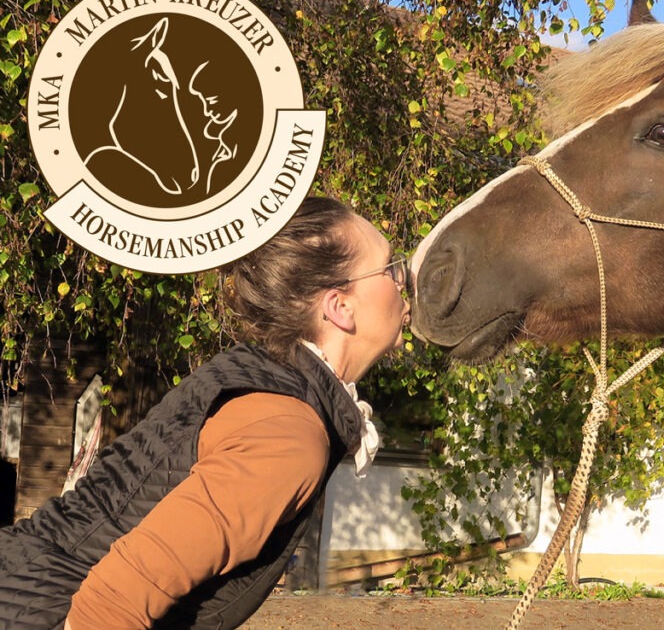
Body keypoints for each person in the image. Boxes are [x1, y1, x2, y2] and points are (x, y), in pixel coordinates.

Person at [0, 196, 410, 629]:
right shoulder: (286, 434)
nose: (404, 280)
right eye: (388, 268)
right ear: (339, 307)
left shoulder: (264, 380)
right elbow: (111, 603)